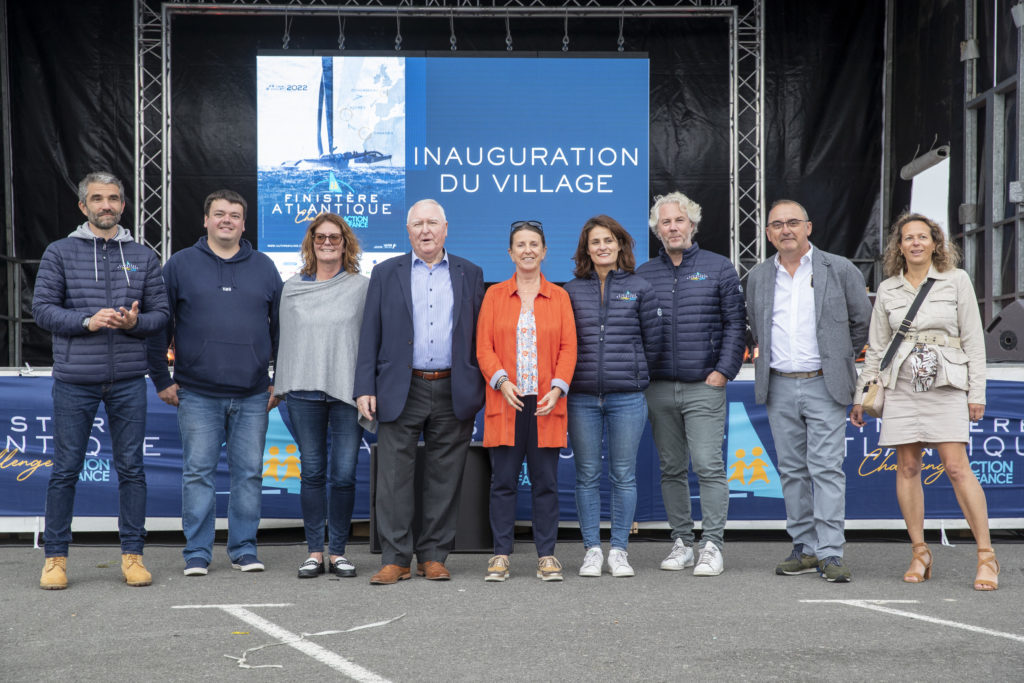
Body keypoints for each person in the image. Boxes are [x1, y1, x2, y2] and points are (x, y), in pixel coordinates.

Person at [33, 172, 169, 590]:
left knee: (132, 469)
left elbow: (162, 315)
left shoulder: (144, 256)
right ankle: (55, 558)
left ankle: (133, 556)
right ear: (83, 206)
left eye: (113, 198)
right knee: (66, 470)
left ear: (123, 205)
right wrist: (86, 321)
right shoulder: (59, 252)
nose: (105, 205)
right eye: (97, 198)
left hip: (129, 380)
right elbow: (41, 309)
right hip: (75, 379)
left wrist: (134, 322)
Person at [851, 213, 997, 590]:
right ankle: (920, 551)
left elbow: (974, 342)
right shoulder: (887, 289)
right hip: (900, 384)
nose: (915, 243)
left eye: (923, 237)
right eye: (908, 238)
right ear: (898, 247)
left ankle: (986, 556)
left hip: (947, 383)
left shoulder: (956, 281)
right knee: (908, 468)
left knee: (956, 467)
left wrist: (976, 393)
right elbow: (877, 348)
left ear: (936, 243)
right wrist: (862, 395)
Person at [148, 189, 282, 577]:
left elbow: (282, 329)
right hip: (196, 392)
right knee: (198, 474)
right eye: (219, 214)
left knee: (248, 474)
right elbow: (159, 326)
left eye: (235, 215)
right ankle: (197, 553)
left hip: (254, 393)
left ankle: (243, 549)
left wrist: (279, 381)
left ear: (244, 223)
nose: (227, 220)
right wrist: (161, 377)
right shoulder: (179, 265)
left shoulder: (265, 267)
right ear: (205, 220)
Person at [355, 198, 485, 585]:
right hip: (400, 387)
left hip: (452, 386)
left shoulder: (470, 273)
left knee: (445, 477)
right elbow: (369, 334)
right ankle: (396, 558)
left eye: (432, 223)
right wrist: (365, 385)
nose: (425, 230)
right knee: (393, 478)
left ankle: (433, 555)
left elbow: (480, 333)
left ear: (446, 229)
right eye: (417, 224)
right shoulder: (385, 272)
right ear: (407, 230)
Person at [746, 199, 871, 582]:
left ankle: (831, 552)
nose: (785, 229)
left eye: (793, 223)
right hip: (779, 384)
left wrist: (836, 358)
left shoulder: (840, 268)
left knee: (827, 470)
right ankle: (804, 547)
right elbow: (755, 325)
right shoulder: (757, 277)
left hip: (825, 383)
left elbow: (862, 323)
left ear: (809, 227)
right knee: (792, 472)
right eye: (777, 224)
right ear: (768, 233)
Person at [636, 193, 746, 577]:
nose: (672, 227)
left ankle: (712, 543)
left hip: (704, 385)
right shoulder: (644, 273)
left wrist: (723, 371)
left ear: (693, 225)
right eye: (665, 222)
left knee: (708, 464)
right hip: (659, 388)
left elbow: (737, 324)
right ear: (657, 230)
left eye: (679, 220)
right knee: (671, 468)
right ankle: (682, 542)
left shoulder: (719, 268)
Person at [476, 220, 577, 582]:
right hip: (507, 402)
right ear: (510, 253)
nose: (528, 250)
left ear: (545, 251)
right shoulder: (494, 296)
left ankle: (546, 556)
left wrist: (558, 388)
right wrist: (501, 381)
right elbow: (483, 347)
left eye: (534, 244)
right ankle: (501, 555)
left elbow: (569, 348)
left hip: (546, 404)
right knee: (503, 482)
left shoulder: (560, 297)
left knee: (546, 483)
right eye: (520, 244)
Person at [273, 213, 368, 579]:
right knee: (312, 471)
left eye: (335, 237)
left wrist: (367, 389)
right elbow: (285, 343)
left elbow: (369, 341)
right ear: (311, 243)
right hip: (303, 392)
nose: (327, 243)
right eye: (320, 237)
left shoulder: (362, 287)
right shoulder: (292, 287)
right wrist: (279, 386)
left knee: (344, 473)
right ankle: (315, 551)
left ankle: (339, 552)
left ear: (346, 243)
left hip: (347, 394)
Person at [565, 216, 660, 578]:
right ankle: (592, 549)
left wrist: (634, 374)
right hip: (582, 396)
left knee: (623, 475)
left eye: (608, 240)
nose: (602, 247)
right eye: (595, 242)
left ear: (620, 245)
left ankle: (618, 550)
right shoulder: (571, 291)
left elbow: (653, 342)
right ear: (586, 249)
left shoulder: (640, 288)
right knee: (587, 475)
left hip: (627, 398)